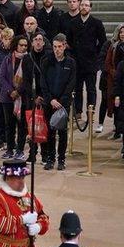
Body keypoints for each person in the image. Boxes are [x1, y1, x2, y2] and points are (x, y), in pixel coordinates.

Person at [39, 35, 77, 171]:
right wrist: (50, 100)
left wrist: (61, 101)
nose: (57, 50)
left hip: (63, 103)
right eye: (54, 47)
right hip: (50, 102)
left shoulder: (71, 63)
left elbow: (71, 84)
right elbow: (43, 82)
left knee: (62, 132)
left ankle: (61, 159)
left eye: (59, 47)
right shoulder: (46, 61)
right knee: (49, 132)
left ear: (64, 46)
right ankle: (50, 159)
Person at [66, 0, 107, 118]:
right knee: (77, 89)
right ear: (79, 6)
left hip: (91, 62)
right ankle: (78, 112)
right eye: (82, 5)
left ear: (90, 8)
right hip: (77, 61)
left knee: (91, 89)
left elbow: (103, 42)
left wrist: (96, 55)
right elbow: (69, 41)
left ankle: (91, 111)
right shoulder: (73, 23)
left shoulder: (97, 23)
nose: (84, 7)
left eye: (86, 5)